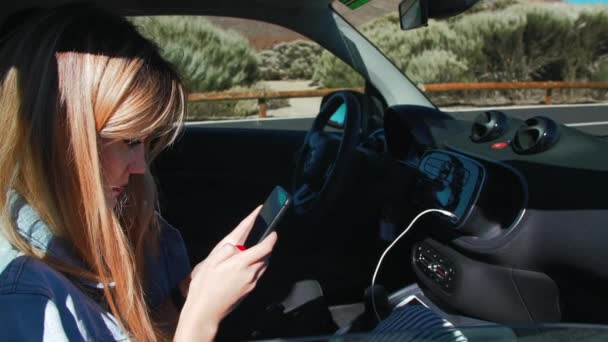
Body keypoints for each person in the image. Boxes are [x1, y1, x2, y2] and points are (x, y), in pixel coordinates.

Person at [0, 4, 277, 341]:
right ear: (64, 137)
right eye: (129, 140)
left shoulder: (115, 226)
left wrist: (190, 291)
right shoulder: (26, 296)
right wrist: (200, 320)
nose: (140, 166)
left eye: (147, 142)